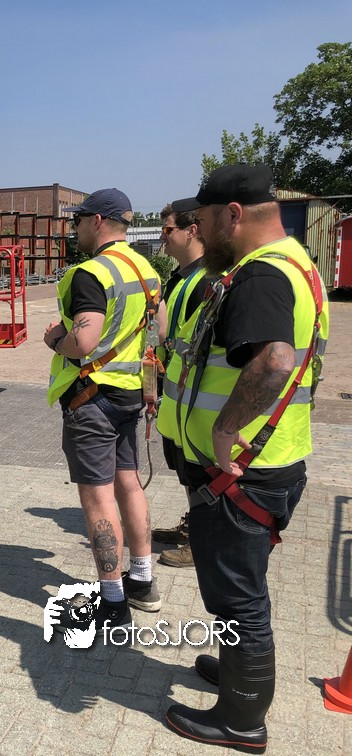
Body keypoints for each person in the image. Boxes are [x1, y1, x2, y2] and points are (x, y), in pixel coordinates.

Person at [163, 164, 328, 752]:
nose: (200, 231)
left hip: (242, 472)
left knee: (239, 599)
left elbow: (275, 360)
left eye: (205, 220)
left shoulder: (260, 273)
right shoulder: (296, 262)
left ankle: (241, 719)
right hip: (270, 461)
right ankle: (238, 675)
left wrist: (226, 427)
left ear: (233, 214)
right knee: (242, 589)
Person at [43, 188, 166, 628]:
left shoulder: (90, 273)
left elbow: (84, 341)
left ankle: (113, 601)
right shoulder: (147, 271)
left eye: (78, 220)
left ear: (97, 221)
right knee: (128, 484)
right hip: (130, 394)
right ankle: (142, 581)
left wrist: (55, 339)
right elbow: (159, 333)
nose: (75, 228)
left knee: (98, 497)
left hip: (91, 398)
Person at [151, 203, 209, 569]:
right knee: (185, 467)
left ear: (192, 230)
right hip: (175, 388)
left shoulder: (206, 279)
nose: (163, 237)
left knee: (198, 467)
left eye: (168, 229)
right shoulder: (181, 277)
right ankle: (195, 526)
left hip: (194, 395)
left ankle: (201, 540)